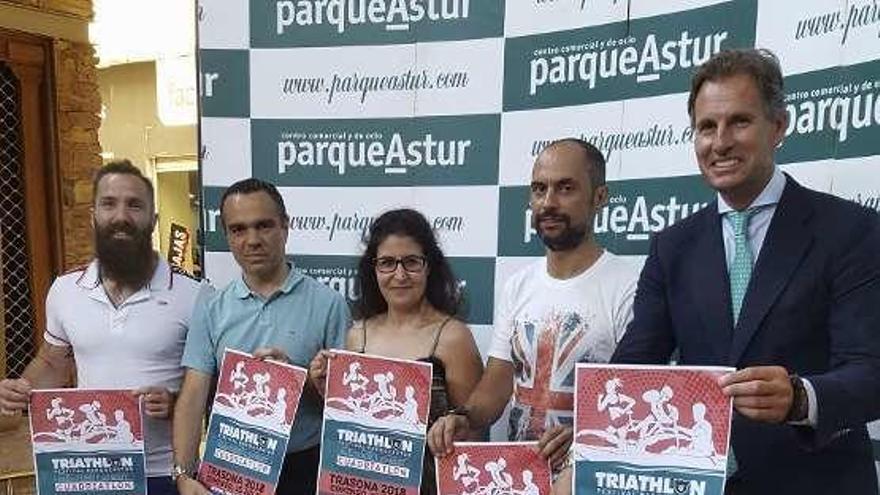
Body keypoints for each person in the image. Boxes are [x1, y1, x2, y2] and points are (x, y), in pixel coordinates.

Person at [611, 48, 880, 494]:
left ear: (778, 127)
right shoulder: (671, 246)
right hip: (701, 485)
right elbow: (634, 367)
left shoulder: (851, 231)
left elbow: (871, 370)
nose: (720, 142)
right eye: (706, 127)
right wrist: (586, 432)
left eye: (739, 121)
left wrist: (801, 397)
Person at [427, 139, 640, 488]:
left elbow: (631, 407)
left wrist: (584, 436)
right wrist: (464, 418)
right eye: (539, 189)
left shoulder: (629, 287)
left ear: (600, 197)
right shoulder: (518, 286)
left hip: (588, 481)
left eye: (565, 188)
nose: (548, 203)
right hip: (518, 477)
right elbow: (496, 385)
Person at [0, 160, 204, 495]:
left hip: (164, 473)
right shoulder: (65, 290)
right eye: (109, 204)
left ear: (153, 220)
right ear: (93, 215)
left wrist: (175, 403)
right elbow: (53, 361)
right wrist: (20, 389)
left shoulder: (195, 295)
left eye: (134, 205)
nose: (121, 216)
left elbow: (208, 384)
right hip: (89, 469)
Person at [172, 178, 350, 495]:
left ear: (285, 227)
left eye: (264, 225)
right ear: (226, 235)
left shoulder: (329, 304)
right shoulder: (211, 308)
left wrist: (299, 378)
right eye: (238, 229)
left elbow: (345, 409)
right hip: (231, 468)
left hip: (305, 470)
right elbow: (193, 395)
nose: (252, 240)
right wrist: (184, 475)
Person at [309, 208, 484, 495]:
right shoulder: (357, 336)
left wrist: (450, 432)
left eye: (411, 262)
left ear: (429, 266)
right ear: (374, 268)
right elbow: (349, 427)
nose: (400, 274)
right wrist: (324, 388)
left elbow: (474, 432)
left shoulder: (453, 338)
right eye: (387, 263)